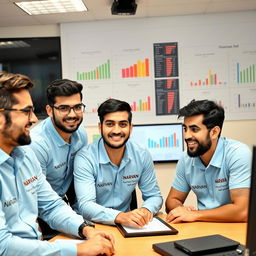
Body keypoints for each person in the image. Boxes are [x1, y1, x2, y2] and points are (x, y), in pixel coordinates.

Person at [0, 71, 115, 256]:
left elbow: (51, 205)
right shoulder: (37, 145)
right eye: (26, 111)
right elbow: (3, 246)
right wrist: (77, 249)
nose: (33, 119)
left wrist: (86, 229)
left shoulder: (25, 155)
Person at [74, 98, 163, 228]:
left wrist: (146, 210)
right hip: (91, 226)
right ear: (100, 127)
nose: (116, 131)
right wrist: (120, 216)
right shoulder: (85, 158)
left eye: (122, 124)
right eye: (110, 124)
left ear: (130, 128)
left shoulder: (142, 155)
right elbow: (86, 206)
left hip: (127, 226)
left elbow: (154, 196)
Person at [165, 99, 251, 223]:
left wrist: (195, 215)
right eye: (185, 129)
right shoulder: (186, 158)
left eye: (194, 129)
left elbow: (242, 211)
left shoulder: (238, 154)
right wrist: (181, 210)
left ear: (214, 132)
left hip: (235, 228)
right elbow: (172, 201)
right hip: (204, 227)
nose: (187, 136)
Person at [29, 78, 87, 206]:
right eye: (64, 108)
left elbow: (78, 178)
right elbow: (37, 196)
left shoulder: (81, 134)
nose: (72, 115)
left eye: (77, 107)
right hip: (41, 208)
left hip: (63, 203)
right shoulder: (37, 144)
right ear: (49, 111)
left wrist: (81, 210)